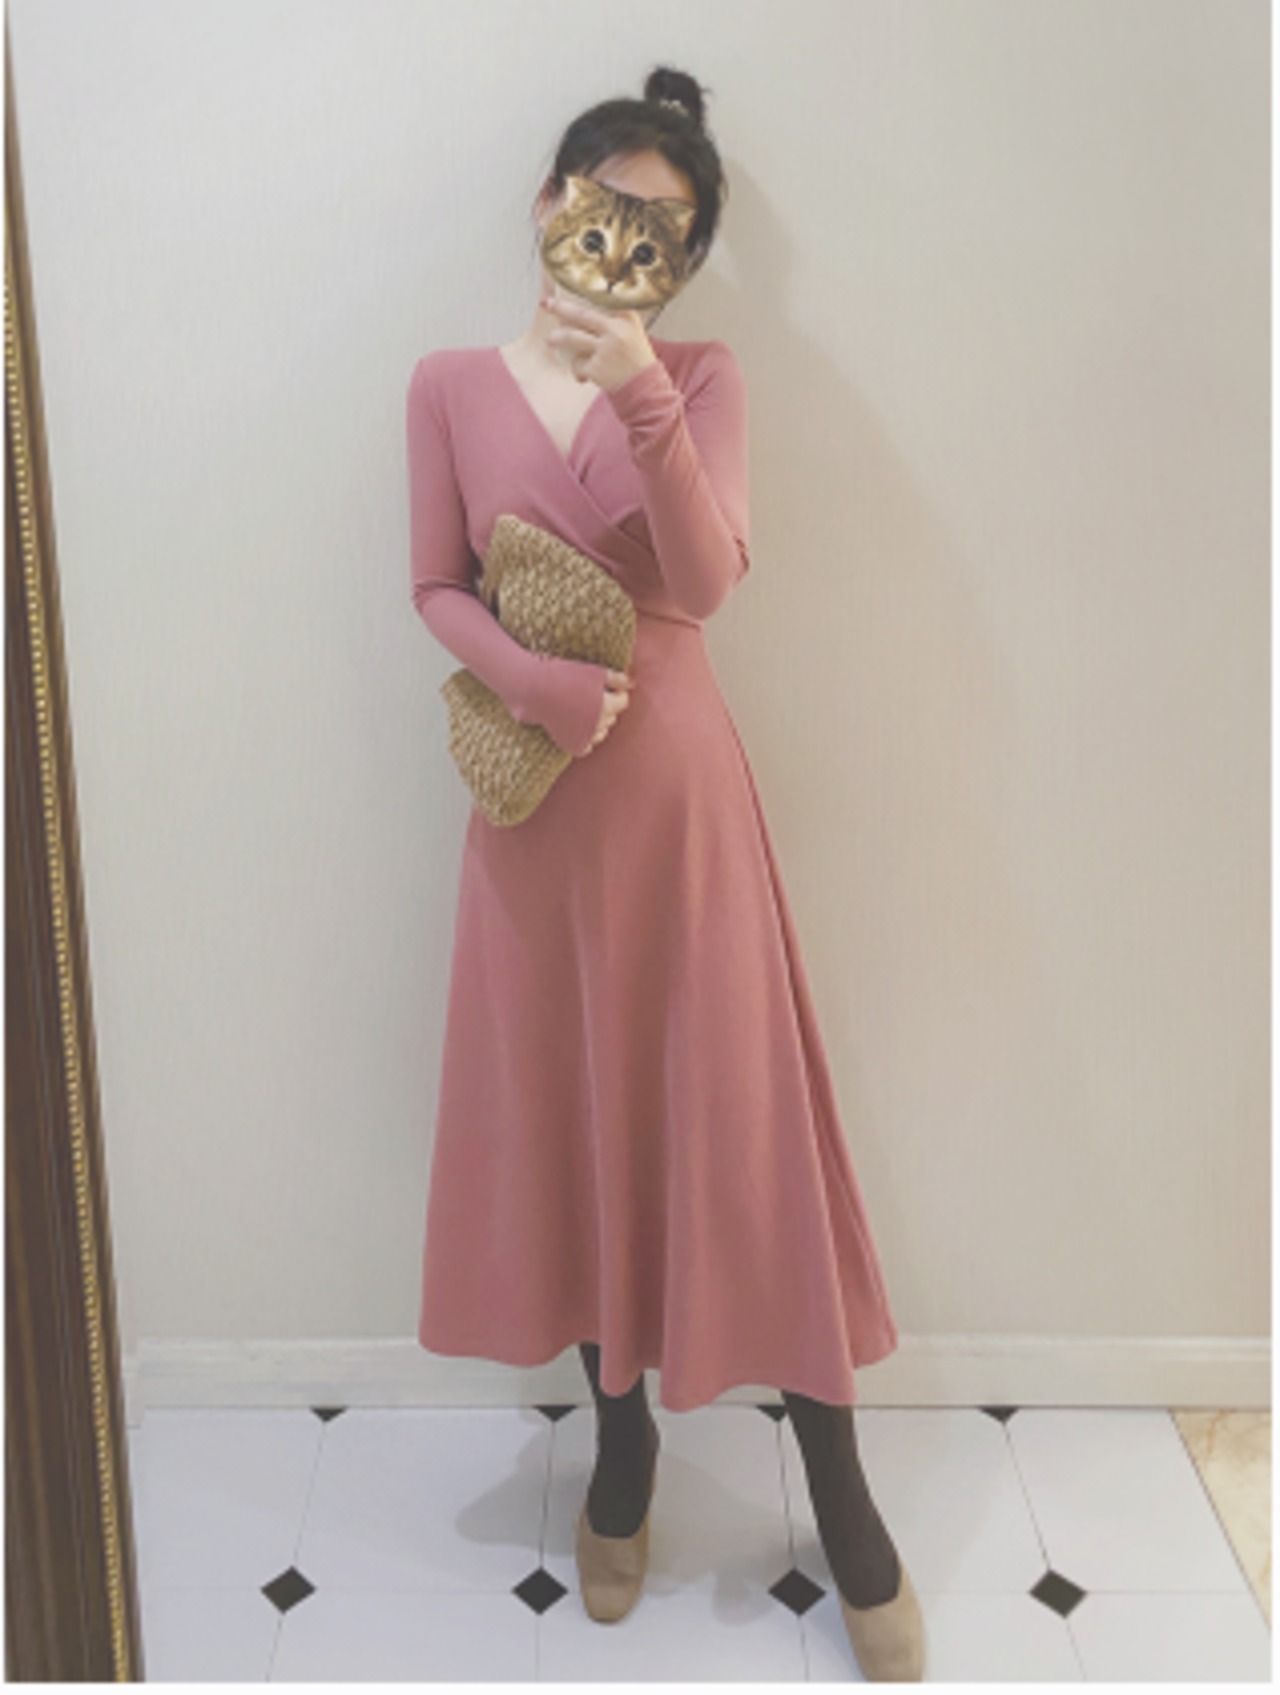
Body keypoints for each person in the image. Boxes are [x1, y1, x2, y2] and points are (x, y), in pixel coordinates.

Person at [406, 62, 924, 1680]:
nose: (632, 240)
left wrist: (638, 386)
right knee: (576, 1126)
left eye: (669, 230)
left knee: (744, 1136)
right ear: (552, 204)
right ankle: (621, 1449)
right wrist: (538, 685)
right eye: (609, 205)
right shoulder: (446, 385)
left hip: (683, 810)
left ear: (687, 261)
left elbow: (702, 581)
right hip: (536, 819)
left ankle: (842, 1493)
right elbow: (433, 583)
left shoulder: (700, 381)